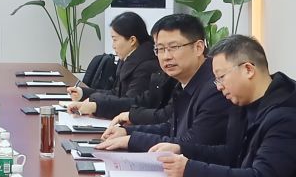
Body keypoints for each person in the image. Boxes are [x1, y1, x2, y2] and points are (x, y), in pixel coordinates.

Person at [151, 35, 296, 177]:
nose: (219, 87)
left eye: (221, 77)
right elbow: (230, 154)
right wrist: (181, 149)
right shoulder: (244, 105)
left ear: (248, 70)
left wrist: (190, 171)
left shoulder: (288, 119)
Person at [95, 13, 231, 155]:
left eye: (174, 47)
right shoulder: (184, 82)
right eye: (160, 49)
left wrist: (132, 140)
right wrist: (126, 132)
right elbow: (171, 127)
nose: (166, 56)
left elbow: (192, 144)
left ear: (198, 47)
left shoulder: (216, 87)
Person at [66, 12, 175, 122]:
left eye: (115, 39)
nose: (113, 45)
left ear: (132, 40)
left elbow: (135, 103)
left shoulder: (147, 66)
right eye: (160, 48)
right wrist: (84, 93)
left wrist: (97, 105)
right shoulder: (128, 59)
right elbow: (119, 92)